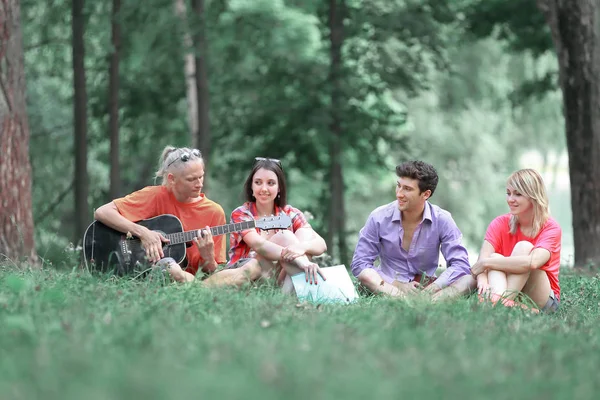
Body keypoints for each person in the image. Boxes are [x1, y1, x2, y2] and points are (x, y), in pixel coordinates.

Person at [94, 146, 226, 281]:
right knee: (171, 268)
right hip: (157, 273)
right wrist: (143, 233)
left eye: (201, 176)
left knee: (241, 271)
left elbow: (210, 273)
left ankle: (196, 286)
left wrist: (208, 258)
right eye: (191, 179)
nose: (199, 184)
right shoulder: (154, 196)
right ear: (171, 179)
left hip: (190, 281)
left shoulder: (214, 212)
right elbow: (102, 212)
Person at [351, 160, 475, 301]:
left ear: (425, 194)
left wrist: (432, 288)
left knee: (469, 279)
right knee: (366, 275)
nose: (399, 194)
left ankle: (429, 302)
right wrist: (398, 284)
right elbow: (360, 264)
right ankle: (405, 301)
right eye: (399, 186)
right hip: (387, 285)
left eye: (407, 189)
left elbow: (460, 265)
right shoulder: (378, 217)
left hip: (425, 287)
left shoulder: (442, 219)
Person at [202, 157, 327, 290]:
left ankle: (288, 299)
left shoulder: (290, 213)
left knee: (302, 244)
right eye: (258, 182)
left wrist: (301, 248)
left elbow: (321, 244)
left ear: (279, 188)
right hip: (248, 272)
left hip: (279, 274)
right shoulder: (242, 213)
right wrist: (300, 260)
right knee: (286, 238)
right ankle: (300, 297)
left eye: (271, 183)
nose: (264, 188)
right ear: (251, 186)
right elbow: (259, 245)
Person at [470, 169, 561, 312]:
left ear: (533, 197)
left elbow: (533, 262)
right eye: (508, 193)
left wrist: (487, 262)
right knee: (494, 257)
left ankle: (496, 303)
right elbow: (483, 258)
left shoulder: (551, 228)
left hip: (541, 297)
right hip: (507, 288)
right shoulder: (499, 223)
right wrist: (482, 280)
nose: (510, 199)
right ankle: (501, 305)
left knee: (523, 248)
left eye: (518, 194)